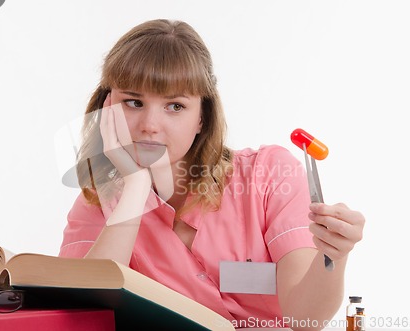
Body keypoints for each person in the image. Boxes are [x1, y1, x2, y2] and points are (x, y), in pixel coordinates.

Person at [59, 19, 365, 330]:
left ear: (202, 118)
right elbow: (83, 313)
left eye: (175, 106)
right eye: (133, 102)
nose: (150, 124)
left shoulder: (269, 174)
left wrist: (334, 256)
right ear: (107, 108)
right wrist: (135, 187)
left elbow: (305, 320)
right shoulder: (97, 203)